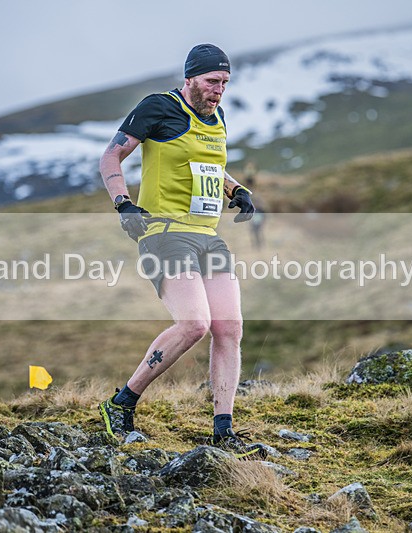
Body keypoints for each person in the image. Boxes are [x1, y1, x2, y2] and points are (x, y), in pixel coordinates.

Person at [98, 44, 263, 458]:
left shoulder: (218, 117)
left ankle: (223, 429)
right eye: (211, 82)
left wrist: (235, 189)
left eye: (224, 83)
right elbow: (111, 155)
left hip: (207, 236)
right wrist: (123, 204)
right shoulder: (159, 107)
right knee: (195, 324)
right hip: (164, 233)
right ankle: (122, 404)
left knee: (229, 327)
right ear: (189, 78)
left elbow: (206, 166)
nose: (218, 91)